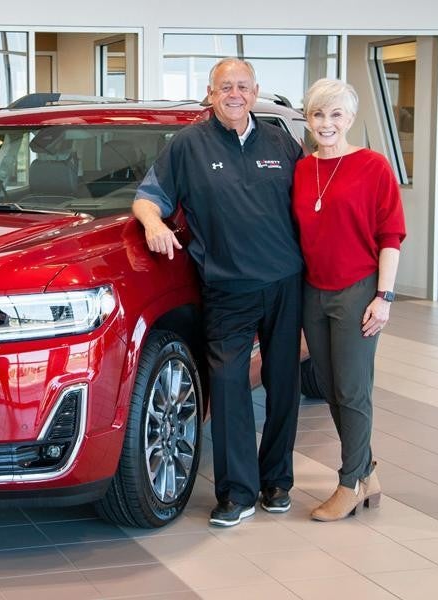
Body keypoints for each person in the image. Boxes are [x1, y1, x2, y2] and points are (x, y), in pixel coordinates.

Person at [132, 57, 304, 527]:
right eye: (225, 86)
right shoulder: (187, 145)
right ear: (210, 93)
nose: (234, 94)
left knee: (284, 383)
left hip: (285, 280)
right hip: (227, 286)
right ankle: (237, 492)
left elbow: (312, 206)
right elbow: (149, 197)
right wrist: (151, 224)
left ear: (255, 91)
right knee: (228, 387)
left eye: (242, 86)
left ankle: (277, 481)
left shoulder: (281, 141)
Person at [292, 78, 406, 521]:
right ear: (308, 119)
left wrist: (384, 296)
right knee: (330, 386)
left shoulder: (373, 166)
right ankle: (367, 472)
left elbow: (390, 235)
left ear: (350, 119)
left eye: (335, 114)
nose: (326, 123)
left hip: (359, 290)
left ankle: (350, 482)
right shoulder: (302, 170)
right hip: (313, 291)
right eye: (318, 114)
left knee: (353, 389)